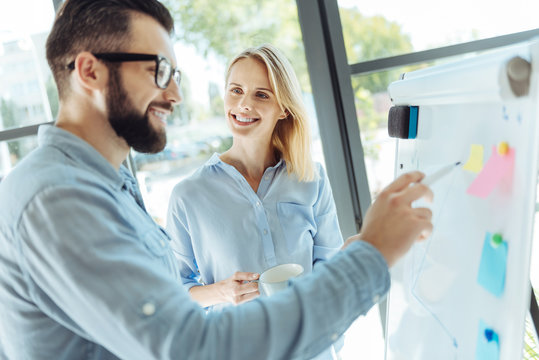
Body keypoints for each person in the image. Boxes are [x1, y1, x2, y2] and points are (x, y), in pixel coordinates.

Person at [0, 1, 433, 359]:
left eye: (175, 76)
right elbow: (196, 346)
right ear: (90, 72)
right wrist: (372, 254)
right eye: (159, 71)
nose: (175, 96)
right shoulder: (57, 197)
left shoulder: (105, 188)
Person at [166, 44, 343, 310]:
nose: (244, 105)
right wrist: (221, 292)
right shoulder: (188, 195)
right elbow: (173, 292)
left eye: (261, 95)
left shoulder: (311, 178)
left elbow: (331, 268)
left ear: (284, 108)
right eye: (236, 90)